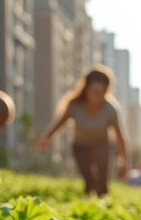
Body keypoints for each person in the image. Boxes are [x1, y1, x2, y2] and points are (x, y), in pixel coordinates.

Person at [36, 66, 128, 196]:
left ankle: (103, 202)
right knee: (88, 181)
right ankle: (87, 200)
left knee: (102, 184)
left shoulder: (110, 109)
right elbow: (59, 123)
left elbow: (120, 138)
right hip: (81, 147)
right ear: (86, 89)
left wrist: (123, 162)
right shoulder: (75, 105)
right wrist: (46, 138)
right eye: (94, 92)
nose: (98, 97)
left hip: (102, 147)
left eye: (102, 93)